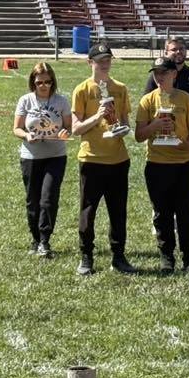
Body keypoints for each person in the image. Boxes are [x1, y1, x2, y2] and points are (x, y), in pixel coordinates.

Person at [70, 43, 136, 275]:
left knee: (118, 211)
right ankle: (86, 256)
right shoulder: (82, 90)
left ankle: (118, 256)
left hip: (118, 159)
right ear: (90, 63)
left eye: (107, 59)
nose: (105, 63)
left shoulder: (120, 88)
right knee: (88, 211)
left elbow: (126, 123)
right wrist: (97, 116)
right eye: (100, 60)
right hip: (92, 159)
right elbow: (76, 129)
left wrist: (121, 129)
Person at [135, 57, 189, 273]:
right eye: (156, 73)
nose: (159, 77)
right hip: (157, 163)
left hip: (183, 163)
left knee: (185, 211)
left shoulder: (184, 99)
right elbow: (138, 135)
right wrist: (155, 124)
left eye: (164, 72)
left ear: (174, 74)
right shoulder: (147, 100)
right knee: (161, 212)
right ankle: (166, 256)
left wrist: (188, 145)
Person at [12, 62, 71, 258]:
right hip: (31, 156)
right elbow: (17, 128)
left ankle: (45, 240)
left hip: (55, 156)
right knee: (33, 200)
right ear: (33, 83)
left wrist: (64, 132)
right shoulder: (26, 101)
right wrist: (26, 136)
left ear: (53, 82)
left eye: (47, 82)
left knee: (48, 199)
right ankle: (35, 238)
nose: (43, 85)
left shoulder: (61, 101)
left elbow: (69, 128)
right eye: (39, 82)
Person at [143, 36, 189, 128]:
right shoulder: (157, 75)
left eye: (181, 49)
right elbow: (146, 102)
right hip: (162, 129)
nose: (178, 52)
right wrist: (149, 126)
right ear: (166, 53)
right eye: (174, 49)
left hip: (187, 129)